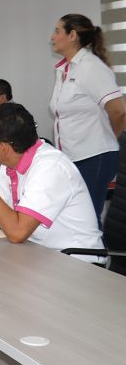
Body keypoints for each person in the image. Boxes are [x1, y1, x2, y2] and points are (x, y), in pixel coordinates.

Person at [0, 103, 105, 262]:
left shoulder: (50, 168)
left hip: (77, 264)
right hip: (39, 256)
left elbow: (17, 232)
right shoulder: (10, 163)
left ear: (3, 148)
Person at [48, 13, 126, 220]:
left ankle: (95, 254)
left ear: (72, 35)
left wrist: (111, 139)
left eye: (57, 31)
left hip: (95, 156)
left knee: (87, 218)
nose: (52, 37)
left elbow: (118, 111)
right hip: (73, 157)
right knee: (74, 217)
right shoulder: (64, 70)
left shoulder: (91, 67)